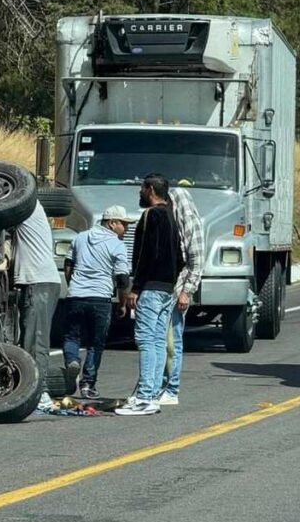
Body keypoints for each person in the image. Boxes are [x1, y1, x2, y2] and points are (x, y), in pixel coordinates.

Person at [116, 174, 180, 416]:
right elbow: (180, 256)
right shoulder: (172, 216)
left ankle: (144, 396)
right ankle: (152, 394)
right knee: (157, 340)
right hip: (167, 288)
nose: (139, 193)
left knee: (145, 340)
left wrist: (135, 288)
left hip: (151, 288)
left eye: (142, 189)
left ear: (151, 189)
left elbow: (145, 255)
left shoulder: (151, 215)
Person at [63, 205, 133, 399]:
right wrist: (122, 301)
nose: (126, 229)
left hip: (76, 295)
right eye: (124, 224)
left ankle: (71, 361)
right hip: (101, 297)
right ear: (112, 223)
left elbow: (68, 265)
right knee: (96, 343)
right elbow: (122, 278)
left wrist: (73, 286)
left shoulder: (80, 237)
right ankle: (88, 384)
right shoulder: (117, 245)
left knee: (71, 336)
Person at [12, 200, 61, 411]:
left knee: (35, 341)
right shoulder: (29, 209)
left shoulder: (25, 207)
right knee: (28, 338)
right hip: (38, 280)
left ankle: (39, 393)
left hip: (38, 281)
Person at [161, 185, 204, 405]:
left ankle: (171, 389)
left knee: (172, 342)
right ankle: (159, 386)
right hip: (164, 288)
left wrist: (187, 292)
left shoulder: (189, 221)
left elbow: (197, 260)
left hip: (179, 290)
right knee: (160, 341)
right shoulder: (169, 220)